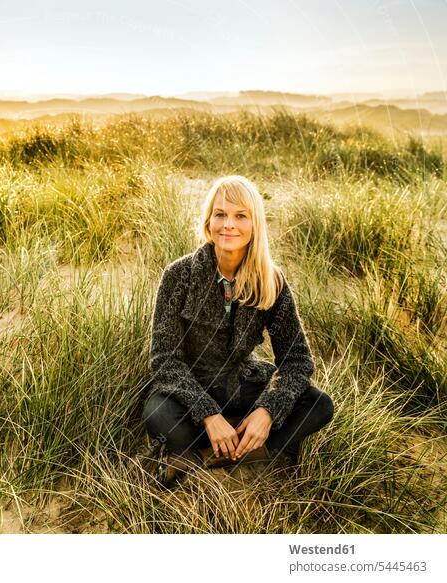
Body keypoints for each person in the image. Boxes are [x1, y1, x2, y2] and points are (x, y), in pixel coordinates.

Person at [141, 175, 334, 487]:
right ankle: (232, 446)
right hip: (190, 395)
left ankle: (209, 454)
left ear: (254, 223)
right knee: (157, 413)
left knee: (319, 404)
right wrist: (209, 415)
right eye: (220, 214)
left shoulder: (271, 280)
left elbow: (297, 361)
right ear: (208, 221)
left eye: (240, 216)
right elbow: (165, 361)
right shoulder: (179, 275)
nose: (228, 224)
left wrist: (267, 411)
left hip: (241, 385)